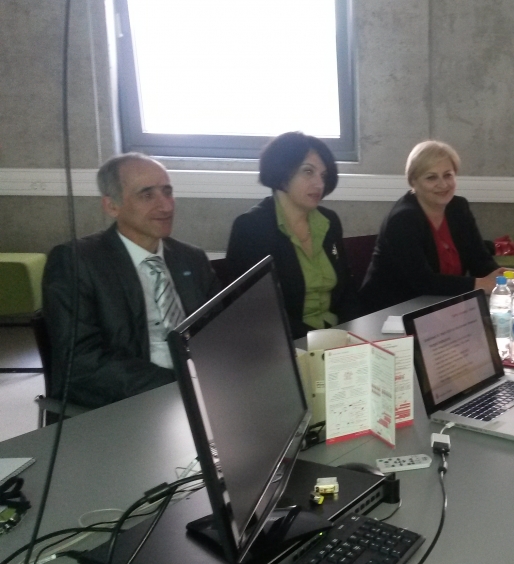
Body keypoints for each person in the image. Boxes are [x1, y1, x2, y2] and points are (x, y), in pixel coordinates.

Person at [42, 153, 218, 408]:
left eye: (167, 192)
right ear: (111, 206)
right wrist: (179, 385)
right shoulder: (76, 262)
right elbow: (82, 360)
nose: (166, 206)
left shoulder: (191, 258)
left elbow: (218, 327)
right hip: (126, 401)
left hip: (203, 388)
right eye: (147, 195)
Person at [226, 132, 358, 339]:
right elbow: (257, 312)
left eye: (323, 176)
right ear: (282, 173)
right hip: (285, 343)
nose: (319, 184)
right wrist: (318, 342)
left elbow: (347, 290)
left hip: (337, 337)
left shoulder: (329, 221)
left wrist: (352, 335)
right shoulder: (251, 228)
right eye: (308, 172)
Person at [355, 140, 509, 315]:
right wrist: (480, 284)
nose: (443, 184)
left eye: (448, 175)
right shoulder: (403, 219)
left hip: (440, 306)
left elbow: (479, 259)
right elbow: (422, 281)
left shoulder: (458, 208)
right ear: (414, 181)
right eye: (431, 177)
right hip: (390, 312)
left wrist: (499, 279)